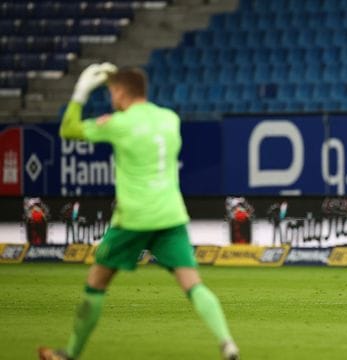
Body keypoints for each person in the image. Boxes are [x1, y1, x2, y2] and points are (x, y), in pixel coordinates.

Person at [38, 64, 239, 360]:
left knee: (96, 283)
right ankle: (227, 344)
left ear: (120, 92)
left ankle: (69, 354)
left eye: (111, 92)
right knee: (193, 284)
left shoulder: (120, 123)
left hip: (133, 218)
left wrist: (80, 94)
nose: (111, 98)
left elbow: (68, 130)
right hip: (170, 215)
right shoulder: (170, 119)